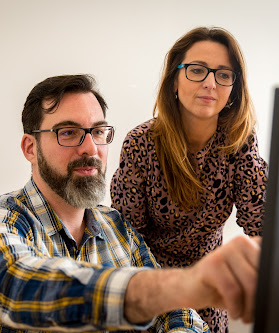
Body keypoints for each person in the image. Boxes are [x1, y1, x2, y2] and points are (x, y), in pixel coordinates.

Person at [0, 74, 261, 332]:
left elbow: (177, 313)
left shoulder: (117, 226)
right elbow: (19, 287)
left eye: (98, 132)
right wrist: (182, 284)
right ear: (31, 148)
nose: (90, 148)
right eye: (69, 132)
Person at [110, 27, 268, 332]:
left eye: (223, 74)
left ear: (234, 88)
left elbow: (261, 224)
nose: (210, 83)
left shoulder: (240, 142)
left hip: (209, 291)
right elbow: (128, 239)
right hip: (152, 287)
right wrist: (166, 291)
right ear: (174, 80)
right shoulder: (140, 143)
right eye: (197, 70)